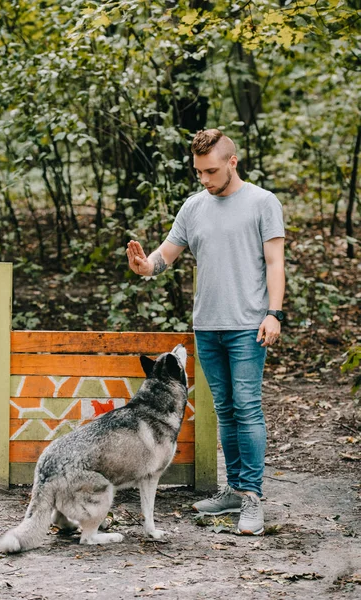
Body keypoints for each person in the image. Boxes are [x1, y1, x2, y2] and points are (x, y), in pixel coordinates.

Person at [126, 129, 285, 535]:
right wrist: (146, 267)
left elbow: (274, 264)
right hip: (206, 326)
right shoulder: (194, 207)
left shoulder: (263, 203)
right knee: (226, 410)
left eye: (211, 171)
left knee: (247, 408)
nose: (204, 179)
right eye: (198, 172)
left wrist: (274, 313)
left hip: (248, 326)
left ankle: (252, 498)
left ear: (233, 162)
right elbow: (166, 254)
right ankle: (235, 489)